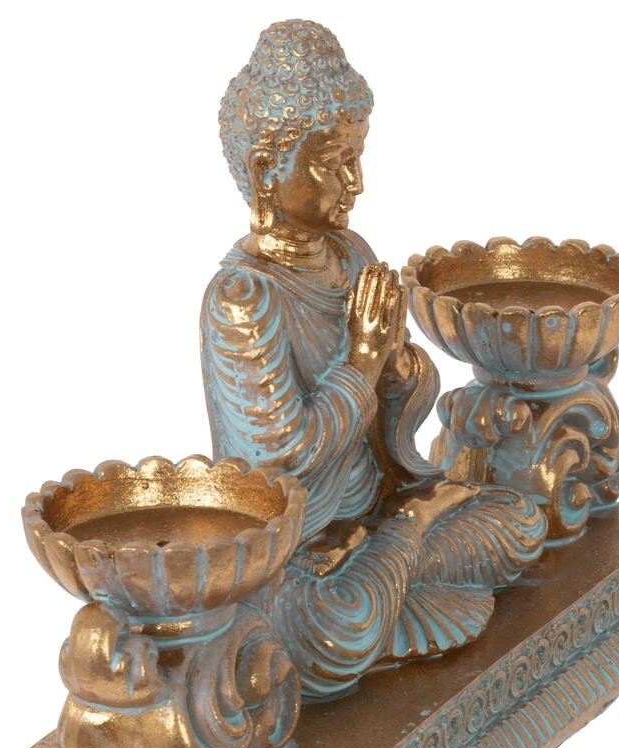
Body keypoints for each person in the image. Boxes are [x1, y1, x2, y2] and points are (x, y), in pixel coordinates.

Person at [201, 20, 547, 698]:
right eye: (333, 162)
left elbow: (396, 408)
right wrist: (361, 361)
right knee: (333, 628)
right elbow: (282, 462)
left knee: (519, 521)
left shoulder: (351, 254)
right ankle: (409, 548)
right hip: (303, 565)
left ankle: (403, 553)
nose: (355, 182)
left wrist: (399, 374)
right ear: (268, 170)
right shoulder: (242, 299)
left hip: (375, 517)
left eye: (358, 156)